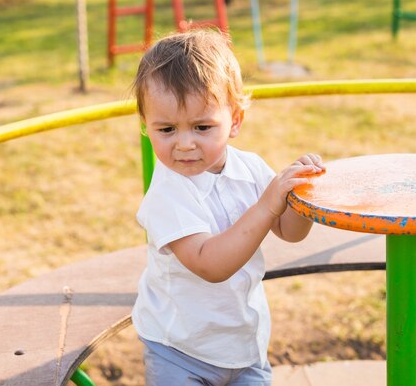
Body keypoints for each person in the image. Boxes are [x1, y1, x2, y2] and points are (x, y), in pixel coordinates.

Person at [131, 30, 325, 386]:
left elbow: (290, 232)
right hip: (180, 351)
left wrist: (300, 194)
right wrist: (268, 204)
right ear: (146, 125)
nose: (184, 144)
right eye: (167, 129)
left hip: (244, 345)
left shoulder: (248, 168)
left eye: (202, 127)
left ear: (235, 121)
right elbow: (210, 263)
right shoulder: (167, 193)